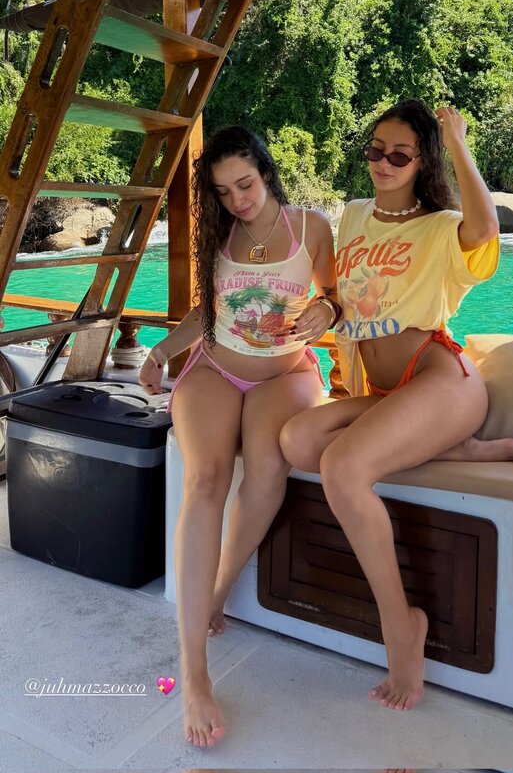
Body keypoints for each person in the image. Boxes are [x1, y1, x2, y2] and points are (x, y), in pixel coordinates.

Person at [279, 99, 513, 715]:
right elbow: (346, 298)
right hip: (385, 393)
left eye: (400, 154)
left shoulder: (443, 227)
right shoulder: (353, 215)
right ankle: (457, 450)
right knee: (297, 440)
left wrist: (458, 141)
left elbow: (486, 229)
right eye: (376, 149)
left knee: (344, 467)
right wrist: (325, 309)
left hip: (440, 379)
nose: (384, 162)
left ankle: (401, 626)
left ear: (423, 162)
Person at [138, 127, 338, 748]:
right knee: (205, 479)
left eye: (245, 185)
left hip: (286, 372)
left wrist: (327, 310)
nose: (237, 200)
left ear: (267, 173)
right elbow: (208, 312)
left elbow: (336, 298)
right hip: (215, 368)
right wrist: (161, 352)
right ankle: (193, 670)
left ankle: (218, 590)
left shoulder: (312, 228)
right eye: (223, 192)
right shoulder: (219, 234)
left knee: (269, 467)